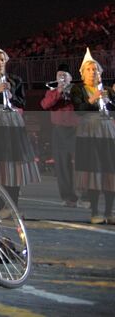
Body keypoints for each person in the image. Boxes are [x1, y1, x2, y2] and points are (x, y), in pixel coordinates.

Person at [0, 36, 40, 203]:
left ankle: (14, 203)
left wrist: (12, 96)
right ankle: (1, 204)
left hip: (12, 122)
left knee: (13, 162)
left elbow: (22, 101)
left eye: (2, 59)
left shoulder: (15, 80)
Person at [72, 48, 115, 224]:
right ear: (82, 74)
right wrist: (92, 99)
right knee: (94, 172)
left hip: (107, 132)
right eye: (89, 69)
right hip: (88, 132)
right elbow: (79, 111)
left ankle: (110, 211)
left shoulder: (108, 92)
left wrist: (109, 101)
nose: (92, 72)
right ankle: (95, 211)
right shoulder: (78, 89)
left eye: (95, 69)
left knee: (110, 171)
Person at [41, 63, 80, 207]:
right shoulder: (52, 91)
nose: (62, 77)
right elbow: (45, 105)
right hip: (59, 131)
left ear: (70, 77)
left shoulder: (77, 90)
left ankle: (85, 195)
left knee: (79, 164)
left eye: (65, 75)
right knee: (62, 165)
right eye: (59, 75)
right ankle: (68, 197)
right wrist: (59, 92)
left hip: (76, 130)